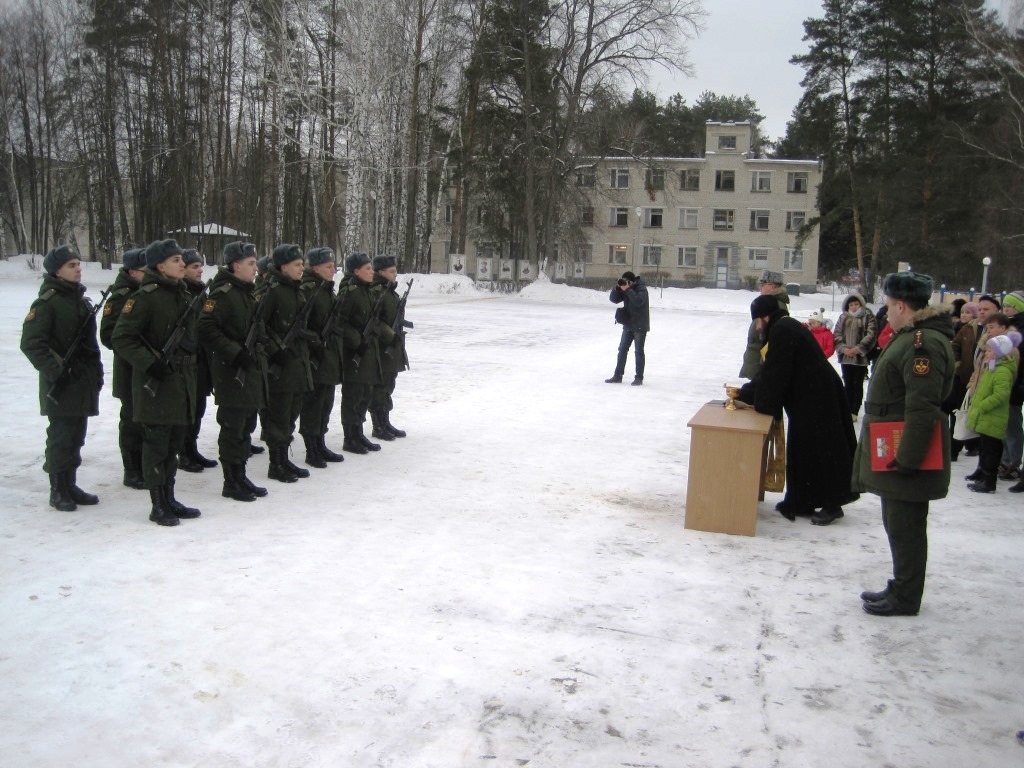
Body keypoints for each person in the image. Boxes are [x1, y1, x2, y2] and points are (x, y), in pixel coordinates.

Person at [853, 272, 954, 617]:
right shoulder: (911, 337)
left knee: (906, 526)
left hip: (905, 452)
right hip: (895, 447)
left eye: (888, 305)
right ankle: (901, 586)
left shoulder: (920, 343)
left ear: (900, 304)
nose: (886, 311)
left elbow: (922, 406)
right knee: (898, 523)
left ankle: (906, 597)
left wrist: (908, 458)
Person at [737, 294, 858, 525]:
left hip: (819, 397)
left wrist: (756, 398)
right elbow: (771, 371)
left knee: (824, 451)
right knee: (805, 449)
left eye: (757, 320)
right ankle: (804, 500)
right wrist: (746, 392)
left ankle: (833, 504)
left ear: (764, 316)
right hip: (812, 396)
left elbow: (776, 375)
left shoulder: (782, 330)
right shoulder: (784, 326)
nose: (756, 326)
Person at [111, 239, 202, 526]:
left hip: (181, 380)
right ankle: (158, 503)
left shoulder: (182, 294)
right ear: (160, 266)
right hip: (156, 382)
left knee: (174, 442)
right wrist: (151, 362)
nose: (182, 264)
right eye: (176, 260)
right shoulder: (145, 297)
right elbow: (121, 337)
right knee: (156, 444)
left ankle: (170, 496)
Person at [20, 244, 103, 512]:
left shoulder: (77, 300)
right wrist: (58, 370)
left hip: (80, 380)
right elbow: (32, 344)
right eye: (71, 265)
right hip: (60, 383)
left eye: (78, 264)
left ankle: (70, 483)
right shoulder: (47, 303)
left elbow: (89, 346)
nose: (78, 269)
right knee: (60, 436)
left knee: (76, 435)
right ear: (57, 271)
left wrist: (95, 374)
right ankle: (58, 488)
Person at [196, 241, 269, 502]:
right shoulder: (223, 294)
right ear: (236, 265)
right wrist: (233, 351)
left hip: (249, 369)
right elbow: (205, 329)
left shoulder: (246, 292)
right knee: (233, 427)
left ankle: (241, 475)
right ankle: (231, 480)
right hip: (231, 371)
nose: (256, 268)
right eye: (251, 263)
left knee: (246, 425)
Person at [260, 244, 315, 482]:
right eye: (297, 264)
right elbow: (259, 326)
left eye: (302, 264)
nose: (302, 268)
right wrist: (276, 350)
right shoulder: (272, 291)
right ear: (284, 267)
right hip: (280, 366)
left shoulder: (295, 289)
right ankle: (276, 463)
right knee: (278, 417)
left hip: (296, 362)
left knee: (291, 414)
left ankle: (285, 459)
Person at [99, 246, 148, 489]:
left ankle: (143, 466)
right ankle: (132, 469)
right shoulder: (121, 296)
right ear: (132, 271)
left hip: (144, 369)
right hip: (128, 368)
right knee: (131, 420)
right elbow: (108, 335)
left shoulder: (145, 293)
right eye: (144, 270)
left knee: (143, 419)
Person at [338, 252, 394, 452]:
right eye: (367, 268)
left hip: (368, 352)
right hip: (354, 354)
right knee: (353, 396)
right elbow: (340, 323)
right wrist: (356, 341)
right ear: (356, 271)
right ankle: (349, 437)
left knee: (364, 394)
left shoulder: (367, 291)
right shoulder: (350, 292)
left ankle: (358, 433)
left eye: (372, 268)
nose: (372, 272)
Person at [298, 246, 346, 467]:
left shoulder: (326, 289)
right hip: (315, 357)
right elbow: (300, 325)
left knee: (325, 403)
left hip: (328, 356)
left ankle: (320, 442)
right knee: (313, 405)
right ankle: (311, 448)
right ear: (315, 268)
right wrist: (314, 341)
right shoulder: (308, 290)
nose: (333, 269)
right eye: (329, 266)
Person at [964, 332, 1021, 493]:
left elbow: (1001, 394)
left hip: (992, 417)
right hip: (986, 418)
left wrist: (983, 405)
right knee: (985, 449)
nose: (986, 354)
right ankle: (983, 477)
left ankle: (989, 482)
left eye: (989, 351)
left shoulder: (1002, 371)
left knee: (992, 452)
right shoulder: (992, 367)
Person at [177, 249, 218, 473]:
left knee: (199, 407)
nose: (200, 270)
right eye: (194, 266)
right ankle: (183, 452)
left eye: (200, 266)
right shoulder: (182, 293)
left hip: (201, 360)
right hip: (186, 360)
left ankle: (191, 448)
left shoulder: (200, 293)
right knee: (187, 409)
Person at [370, 254, 410, 440]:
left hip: (392, 347)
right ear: (381, 272)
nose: (396, 275)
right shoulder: (377, 291)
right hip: (381, 348)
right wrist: (390, 335)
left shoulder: (389, 291)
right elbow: (375, 321)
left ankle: (385, 422)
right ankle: (378, 425)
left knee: (388, 386)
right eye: (392, 271)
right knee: (380, 387)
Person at [833, 292, 877, 419]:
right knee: (847, 383)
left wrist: (858, 348)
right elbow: (837, 333)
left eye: (856, 304)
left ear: (860, 304)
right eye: (851, 304)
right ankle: (846, 408)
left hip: (860, 357)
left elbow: (871, 334)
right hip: (846, 357)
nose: (853, 307)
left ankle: (854, 410)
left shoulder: (867, 316)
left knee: (857, 384)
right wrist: (843, 348)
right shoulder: (843, 317)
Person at [740, 270, 790, 380]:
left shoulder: (774, 305)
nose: (760, 287)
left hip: (761, 365)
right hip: (756, 361)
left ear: (772, 286)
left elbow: (772, 341)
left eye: (762, 285)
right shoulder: (767, 302)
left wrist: (764, 367)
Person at [947, 302, 980, 461]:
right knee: (956, 411)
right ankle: (954, 447)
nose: (964, 315)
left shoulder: (974, 329)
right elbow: (955, 346)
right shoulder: (961, 328)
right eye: (962, 312)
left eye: (968, 312)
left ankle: (967, 444)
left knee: (965, 412)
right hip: (959, 376)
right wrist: (957, 362)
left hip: (972, 377)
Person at [605, 270, 650, 385]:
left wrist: (628, 290)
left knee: (638, 351)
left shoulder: (641, 288)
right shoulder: (627, 289)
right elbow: (613, 299)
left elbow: (638, 301)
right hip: (628, 323)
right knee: (622, 350)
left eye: (627, 282)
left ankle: (639, 378)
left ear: (632, 282)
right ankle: (617, 375)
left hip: (640, 325)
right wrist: (617, 288)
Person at [998, 290, 1024, 481]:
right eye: (1005, 305)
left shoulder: (1020, 329)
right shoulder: (1006, 326)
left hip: (1016, 382)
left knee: (1013, 424)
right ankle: (1005, 459)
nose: (1007, 308)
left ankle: (1012, 462)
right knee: (1004, 424)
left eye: (1011, 306)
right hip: (1004, 380)